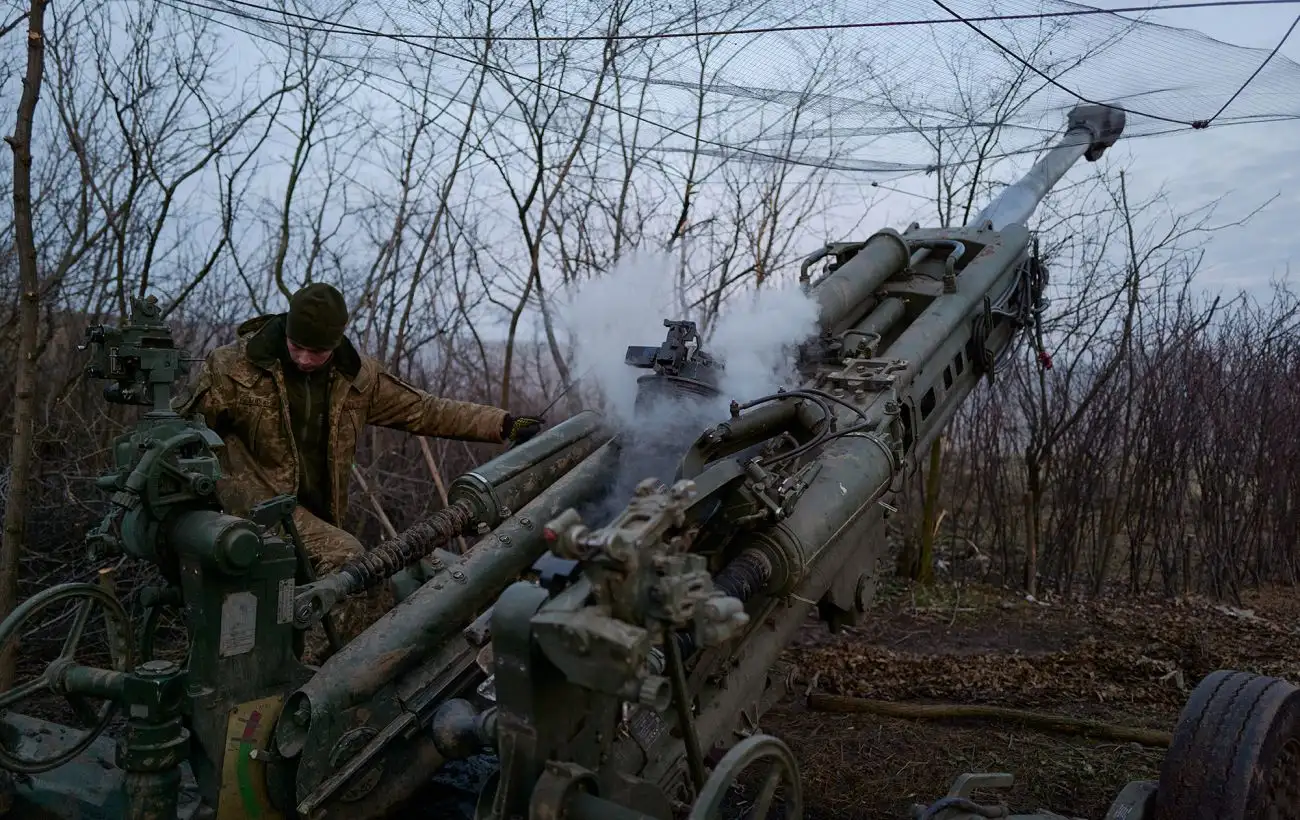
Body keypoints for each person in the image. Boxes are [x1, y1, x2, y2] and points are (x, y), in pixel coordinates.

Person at [174, 283, 544, 660]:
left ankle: (343, 666)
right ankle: (315, 682)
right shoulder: (231, 368)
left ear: (335, 345)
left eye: (316, 351)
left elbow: (426, 409)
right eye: (296, 346)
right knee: (346, 558)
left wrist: (502, 423)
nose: (303, 359)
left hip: (317, 514)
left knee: (371, 591)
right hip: (252, 506)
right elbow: (178, 431)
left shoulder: (359, 379)